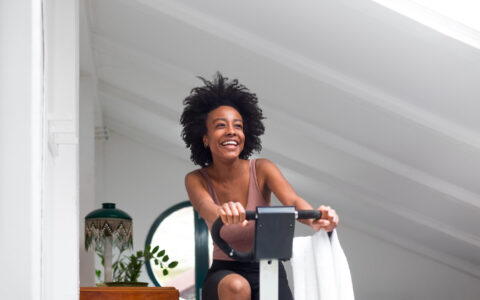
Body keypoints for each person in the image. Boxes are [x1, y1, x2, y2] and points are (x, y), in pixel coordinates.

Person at [181, 73, 339, 300]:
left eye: (238, 126)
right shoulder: (196, 178)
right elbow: (207, 208)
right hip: (226, 273)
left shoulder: (262, 169)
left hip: (268, 267)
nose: (231, 132)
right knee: (237, 287)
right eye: (220, 126)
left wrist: (317, 218)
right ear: (204, 137)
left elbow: (293, 202)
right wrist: (224, 213)